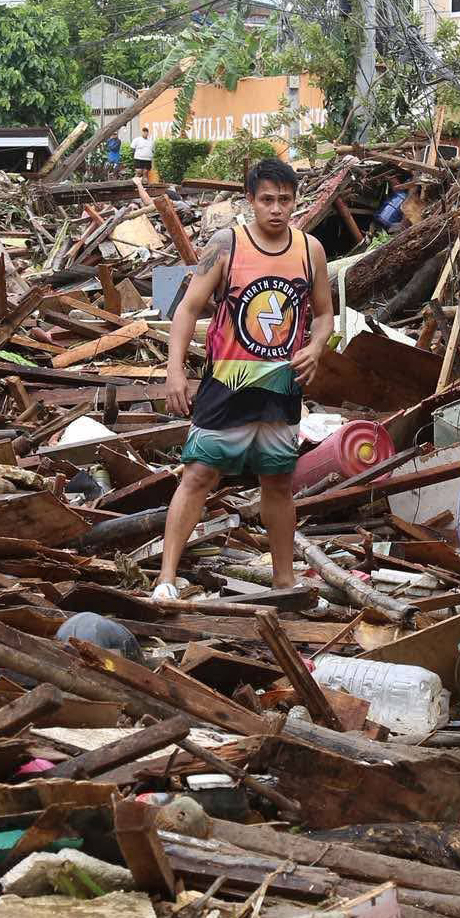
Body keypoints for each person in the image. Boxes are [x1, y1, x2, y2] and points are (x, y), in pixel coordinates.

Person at [154, 158, 333, 600]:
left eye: (285, 200)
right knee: (197, 474)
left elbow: (326, 314)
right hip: (227, 383)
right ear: (250, 200)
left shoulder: (310, 250)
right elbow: (187, 308)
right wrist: (175, 369)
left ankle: (283, 579)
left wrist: (316, 347)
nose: (276, 209)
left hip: (281, 385)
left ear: (296, 201)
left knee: (277, 482)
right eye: (267, 200)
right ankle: (165, 578)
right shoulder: (226, 245)